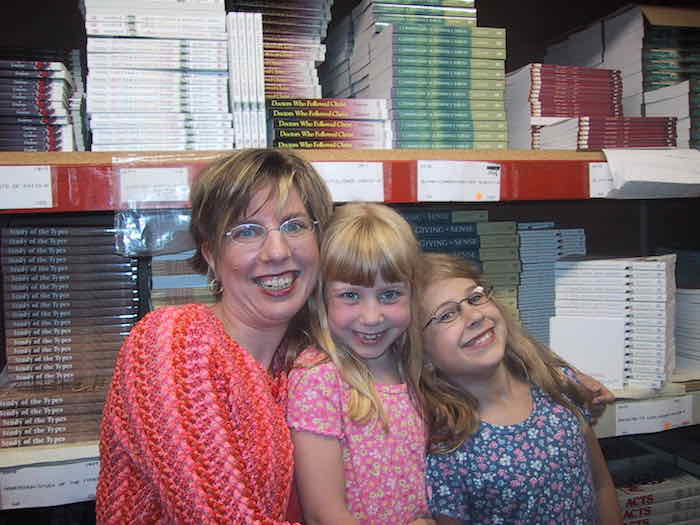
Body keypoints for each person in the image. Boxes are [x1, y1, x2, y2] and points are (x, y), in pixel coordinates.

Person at [95, 148, 334, 524]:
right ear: (211, 255)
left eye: (294, 226)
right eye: (246, 231)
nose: (277, 251)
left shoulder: (305, 360)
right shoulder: (174, 342)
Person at [418, 252, 623, 524]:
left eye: (475, 298)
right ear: (422, 354)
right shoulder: (445, 442)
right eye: (446, 315)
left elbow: (601, 485)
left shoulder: (556, 385)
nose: (474, 315)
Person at [287, 202, 435, 525]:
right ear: (321, 298)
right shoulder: (319, 380)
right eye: (350, 296)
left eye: (389, 295)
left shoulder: (413, 366)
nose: (371, 317)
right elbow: (324, 514)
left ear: (413, 294)